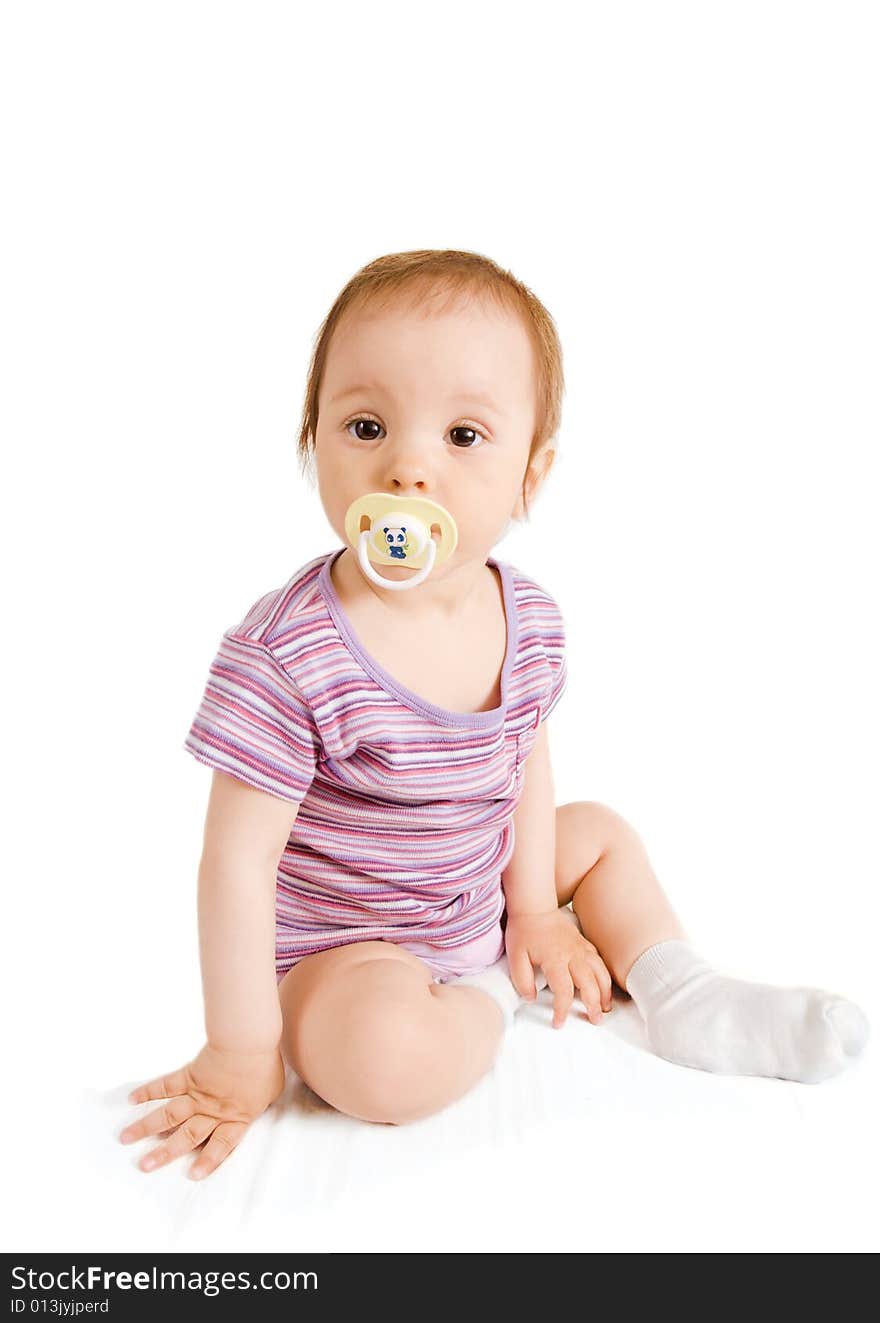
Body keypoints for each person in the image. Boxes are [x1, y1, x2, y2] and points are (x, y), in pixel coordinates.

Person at [119, 249, 870, 1181]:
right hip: (349, 945)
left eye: (464, 437)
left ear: (532, 473)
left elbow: (525, 763)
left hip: (483, 885)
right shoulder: (288, 654)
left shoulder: (531, 618)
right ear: (313, 439)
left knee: (599, 833)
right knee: (376, 1061)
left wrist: (535, 908)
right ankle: (487, 997)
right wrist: (239, 1049)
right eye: (366, 425)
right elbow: (236, 862)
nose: (408, 468)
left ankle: (683, 990)